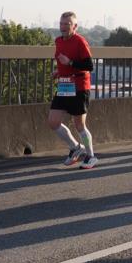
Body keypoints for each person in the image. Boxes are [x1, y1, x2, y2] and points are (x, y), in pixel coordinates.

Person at [47, 11, 98, 169]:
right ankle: (75, 147)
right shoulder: (58, 41)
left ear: (75, 26)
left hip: (79, 86)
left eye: (67, 24)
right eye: (61, 24)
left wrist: (69, 63)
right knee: (53, 121)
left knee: (79, 125)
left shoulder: (80, 41)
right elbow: (63, 62)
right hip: (64, 85)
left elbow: (89, 66)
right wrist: (59, 71)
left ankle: (91, 156)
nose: (63, 27)